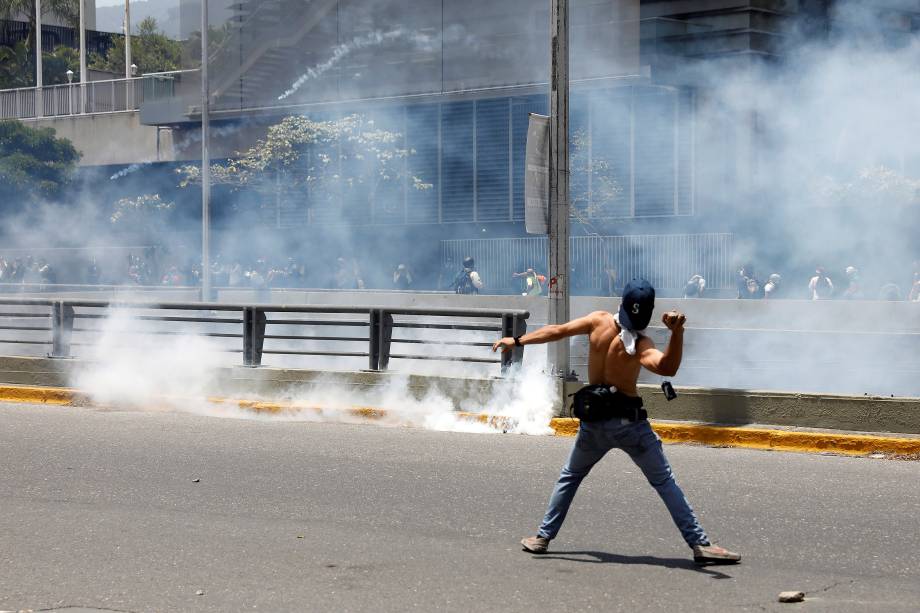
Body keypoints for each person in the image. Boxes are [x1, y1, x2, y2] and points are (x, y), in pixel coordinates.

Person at [492, 278, 740, 566]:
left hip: (593, 423)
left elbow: (557, 331)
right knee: (664, 482)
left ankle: (542, 538)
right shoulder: (642, 343)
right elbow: (668, 367)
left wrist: (517, 340)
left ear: (621, 303)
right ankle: (699, 543)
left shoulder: (598, 321)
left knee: (570, 477)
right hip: (630, 426)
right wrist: (677, 332)